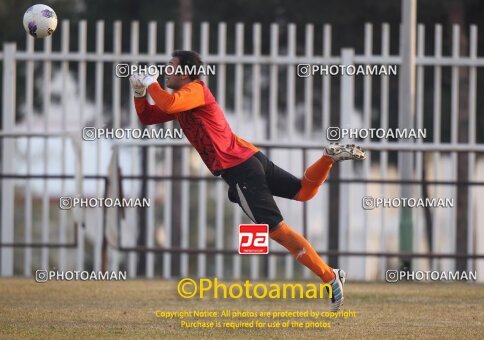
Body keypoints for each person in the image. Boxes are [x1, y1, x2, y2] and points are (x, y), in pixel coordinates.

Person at [129, 50, 366, 311]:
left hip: (240, 170)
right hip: (250, 159)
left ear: (185, 72)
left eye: (170, 67)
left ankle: (330, 276)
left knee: (277, 231)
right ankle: (328, 158)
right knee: (303, 192)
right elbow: (149, 116)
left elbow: (168, 104)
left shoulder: (195, 90)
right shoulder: (183, 100)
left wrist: (151, 82)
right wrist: (139, 92)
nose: (165, 72)